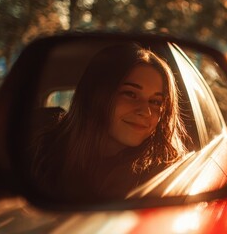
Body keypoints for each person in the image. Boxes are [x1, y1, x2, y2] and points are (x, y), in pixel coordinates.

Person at [30, 43, 188, 201]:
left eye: (155, 102)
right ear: (95, 95)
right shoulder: (42, 152)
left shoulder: (162, 170)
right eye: (130, 94)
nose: (146, 112)